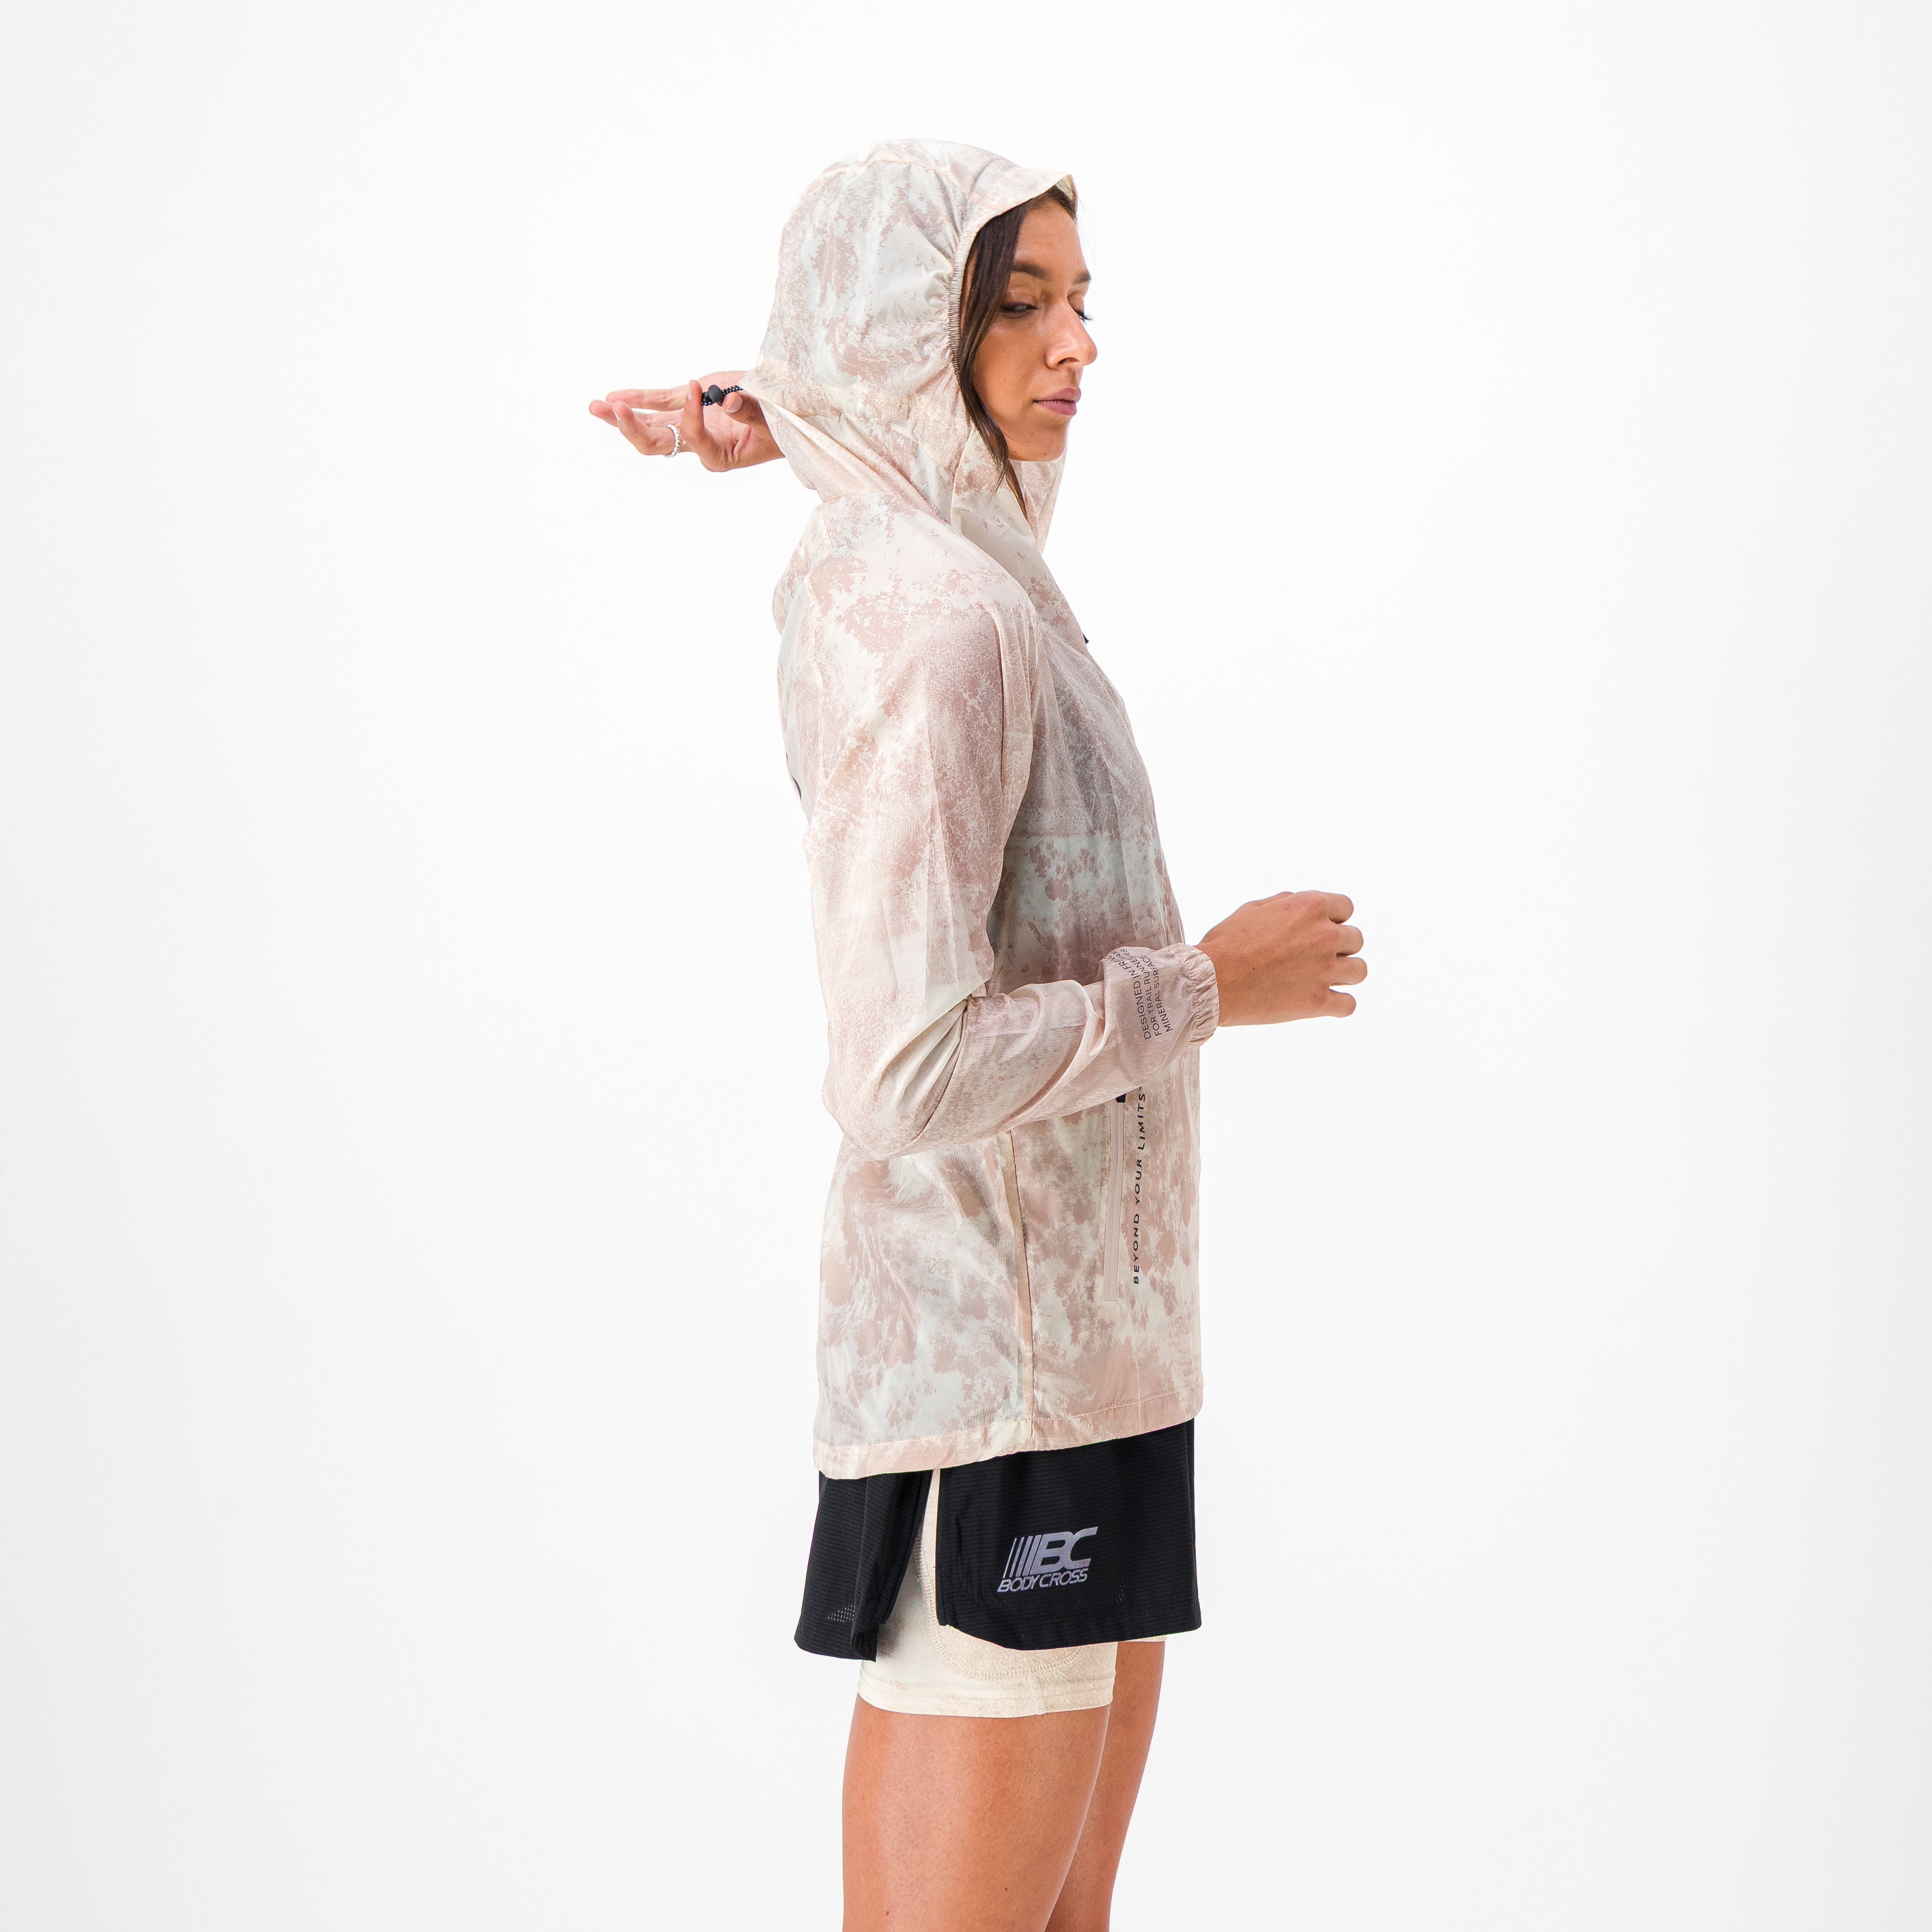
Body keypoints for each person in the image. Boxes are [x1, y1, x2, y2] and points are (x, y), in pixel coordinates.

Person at [591, 141, 1366, 1932]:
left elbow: (941, 469)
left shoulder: (959, 565)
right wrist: (1206, 987)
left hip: (1093, 1369)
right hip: (993, 1398)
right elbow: (897, 1070)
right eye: (1020, 305)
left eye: (1083, 299)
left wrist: (785, 412)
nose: (1077, 342)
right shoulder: (939, 630)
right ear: (908, 335)